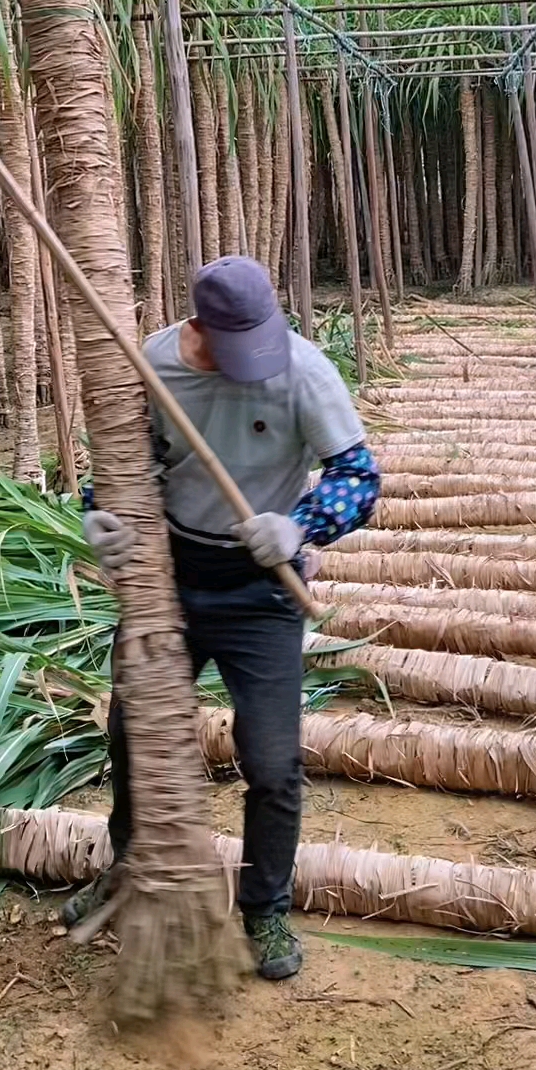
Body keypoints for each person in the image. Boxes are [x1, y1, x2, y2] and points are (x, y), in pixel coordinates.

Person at [65, 255, 380, 981]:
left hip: (260, 589)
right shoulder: (155, 364)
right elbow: (122, 463)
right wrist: (102, 517)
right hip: (168, 576)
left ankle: (264, 906)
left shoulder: (303, 371)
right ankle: (129, 867)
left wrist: (301, 528)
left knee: (272, 764)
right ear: (198, 328)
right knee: (132, 734)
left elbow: (358, 477)